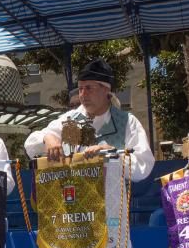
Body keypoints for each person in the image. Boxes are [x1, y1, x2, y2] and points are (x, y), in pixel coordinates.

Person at [23, 59, 155, 182]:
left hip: (111, 204)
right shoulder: (71, 120)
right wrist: (48, 138)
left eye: (89, 88)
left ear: (106, 90)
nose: (83, 95)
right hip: (72, 203)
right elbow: (30, 146)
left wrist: (112, 155)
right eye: (80, 89)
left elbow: (143, 165)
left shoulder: (127, 122)